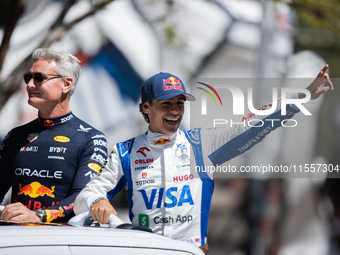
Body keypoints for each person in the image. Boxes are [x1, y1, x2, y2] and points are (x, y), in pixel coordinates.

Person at [74, 67, 333, 254]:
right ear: (146, 108)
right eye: (166, 104)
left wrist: (302, 98)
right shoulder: (124, 152)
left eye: (180, 103)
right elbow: (86, 195)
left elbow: (255, 125)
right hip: (145, 250)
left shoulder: (200, 145)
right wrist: (97, 201)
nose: (175, 111)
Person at [0, 48, 107, 223]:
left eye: (39, 78)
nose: (29, 85)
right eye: (28, 78)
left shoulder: (91, 139)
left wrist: (38, 216)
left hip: (62, 242)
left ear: (67, 84)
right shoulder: (15, 136)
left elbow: (83, 197)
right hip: (16, 238)